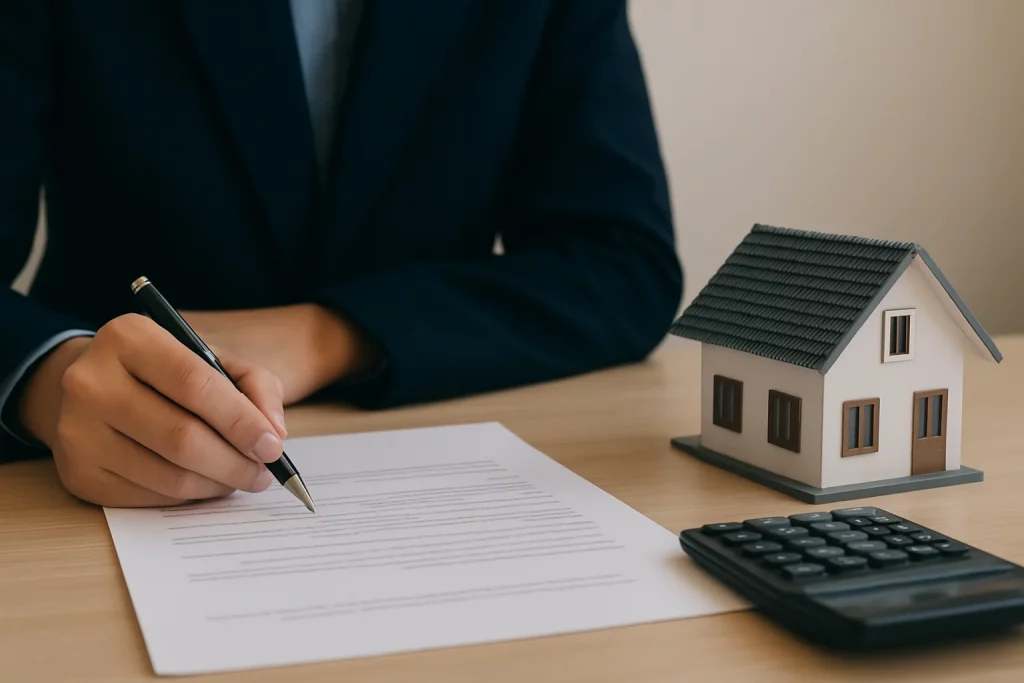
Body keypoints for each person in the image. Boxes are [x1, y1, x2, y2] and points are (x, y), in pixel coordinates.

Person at [0, 0, 682, 508]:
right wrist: (46, 378)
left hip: (425, 430)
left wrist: (328, 334)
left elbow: (623, 263)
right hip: (90, 474)